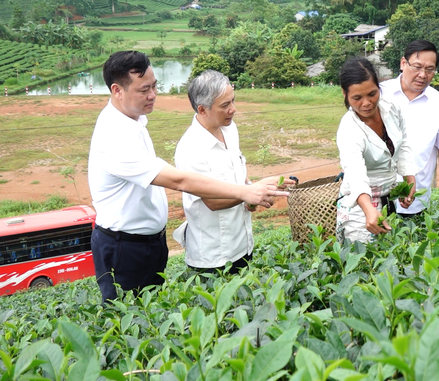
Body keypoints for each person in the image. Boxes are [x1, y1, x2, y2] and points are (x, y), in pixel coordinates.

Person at [88, 51, 289, 303]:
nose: (153, 95)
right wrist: (245, 192)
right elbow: (179, 181)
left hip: (151, 242)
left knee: (152, 313)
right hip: (124, 247)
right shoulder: (114, 135)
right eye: (144, 90)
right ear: (117, 90)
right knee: (129, 321)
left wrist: (249, 190)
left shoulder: (134, 120)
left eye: (155, 86)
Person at [172, 70, 258, 274]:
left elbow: (237, 173)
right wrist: (252, 193)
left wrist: (249, 191)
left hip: (243, 245)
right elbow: (212, 201)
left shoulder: (230, 129)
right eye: (225, 105)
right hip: (214, 257)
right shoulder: (191, 148)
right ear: (202, 110)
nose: (233, 109)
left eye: (233, 101)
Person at [336, 57, 418, 243]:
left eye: (372, 94)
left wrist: (409, 178)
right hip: (360, 205)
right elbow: (355, 173)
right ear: (345, 94)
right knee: (364, 261)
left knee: (388, 256)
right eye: (357, 98)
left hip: (388, 197)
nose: (366, 103)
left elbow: (403, 143)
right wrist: (368, 210)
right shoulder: (349, 129)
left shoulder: (391, 107)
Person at [380, 40, 439, 217]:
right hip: (374, 194)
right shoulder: (379, 94)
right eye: (417, 67)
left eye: (429, 69)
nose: (422, 75)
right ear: (403, 63)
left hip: (415, 201)